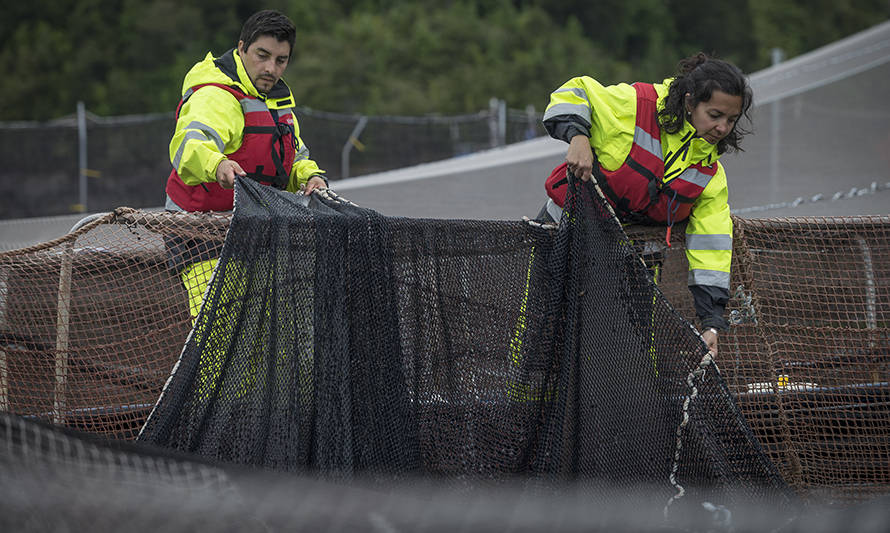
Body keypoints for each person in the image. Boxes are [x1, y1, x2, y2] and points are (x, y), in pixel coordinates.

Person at [539, 53, 753, 357]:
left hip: (636, 262)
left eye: (731, 120)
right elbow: (574, 91)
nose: (722, 128)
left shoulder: (710, 175)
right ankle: (525, 400)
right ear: (690, 102)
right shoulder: (636, 104)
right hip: (565, 235)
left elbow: (712, 248)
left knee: (633, 350)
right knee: (544, 332)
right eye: (715, 115)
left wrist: (711, 323)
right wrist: (578, 138)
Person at [164, 9, 326, 321]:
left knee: (270, 340)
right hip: (202, 235)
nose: (270, 68)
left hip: (255, 232)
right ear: (241, 49)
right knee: (219, 342)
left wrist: (312, 177)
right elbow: (189, 146)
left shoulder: (278, 100)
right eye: (262, 55)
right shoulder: (215, 95)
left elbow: (296, 158)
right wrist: (218, 164)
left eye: (281, 60)